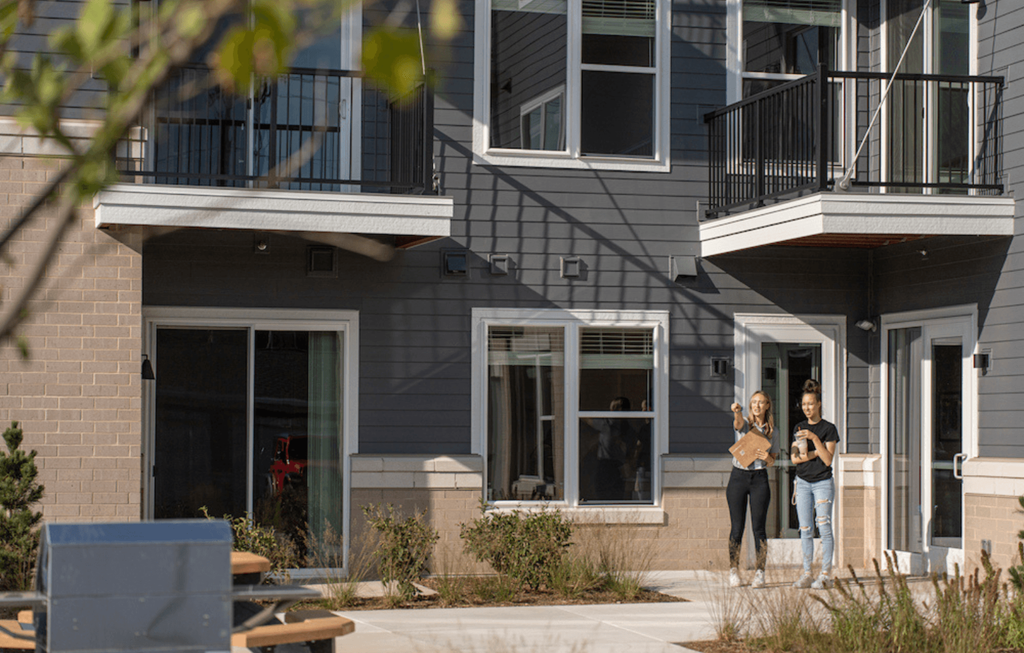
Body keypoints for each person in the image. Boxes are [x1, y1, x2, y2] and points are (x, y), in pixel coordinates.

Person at [790, 379, 840, 590]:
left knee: (824, 527)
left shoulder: (828, 429)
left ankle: (826, 573)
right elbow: (795, 458)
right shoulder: (798, 426)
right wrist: (812, 453)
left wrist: (813, 438)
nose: (807, 408)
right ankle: (807, 573)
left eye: (810, 404)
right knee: (805, 529)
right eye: (804, 404)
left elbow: (828, 459)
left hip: (822, 483)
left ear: (818, 404)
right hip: (802, 483)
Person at [727, 391, 776, 588]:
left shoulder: (773, 431)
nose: (756, 406)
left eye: (760, 402)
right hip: (738, 477)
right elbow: (737, 424)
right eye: (753, 402)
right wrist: (737, 412)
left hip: (759, 478)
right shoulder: (745, 424)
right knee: (737, 528)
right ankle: (733, 570)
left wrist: (767, 458)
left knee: (759, 528)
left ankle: (760, 572)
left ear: (767, 406)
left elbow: (773, 460)